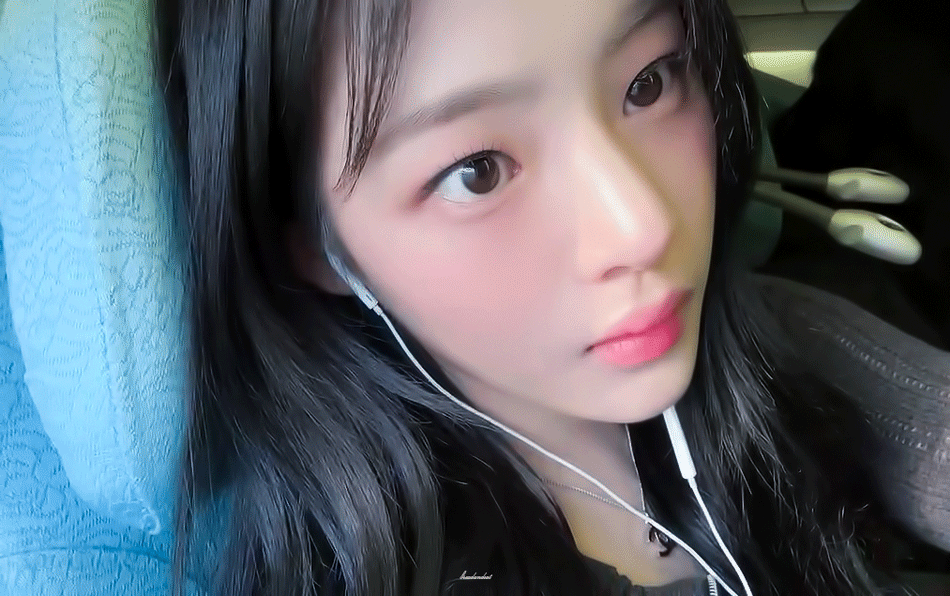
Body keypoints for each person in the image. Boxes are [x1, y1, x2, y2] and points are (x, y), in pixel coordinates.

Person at [153, 0, 901, 594]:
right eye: (477, 171)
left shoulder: (785, 361)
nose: (643, 226)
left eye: (648, 83)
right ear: (318, 250)